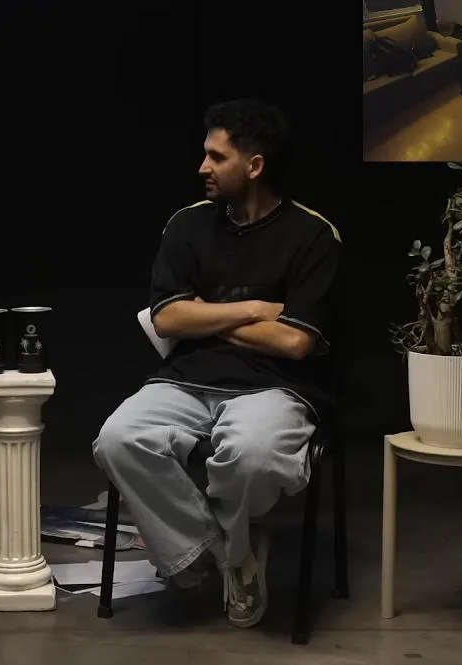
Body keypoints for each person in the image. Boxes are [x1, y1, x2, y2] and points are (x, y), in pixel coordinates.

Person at [91, 99, 340, 629]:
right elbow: (167, 319)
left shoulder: (313, 235)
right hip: (186, 380)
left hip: (274, 387)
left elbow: (294, 342)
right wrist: (253, 310)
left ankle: (222, 550)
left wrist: (203, 315)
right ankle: (230, 555)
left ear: (255, 166)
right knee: (118, 439)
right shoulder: (186, 225)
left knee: (254, 456)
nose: (202, 167)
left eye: (216, 157)